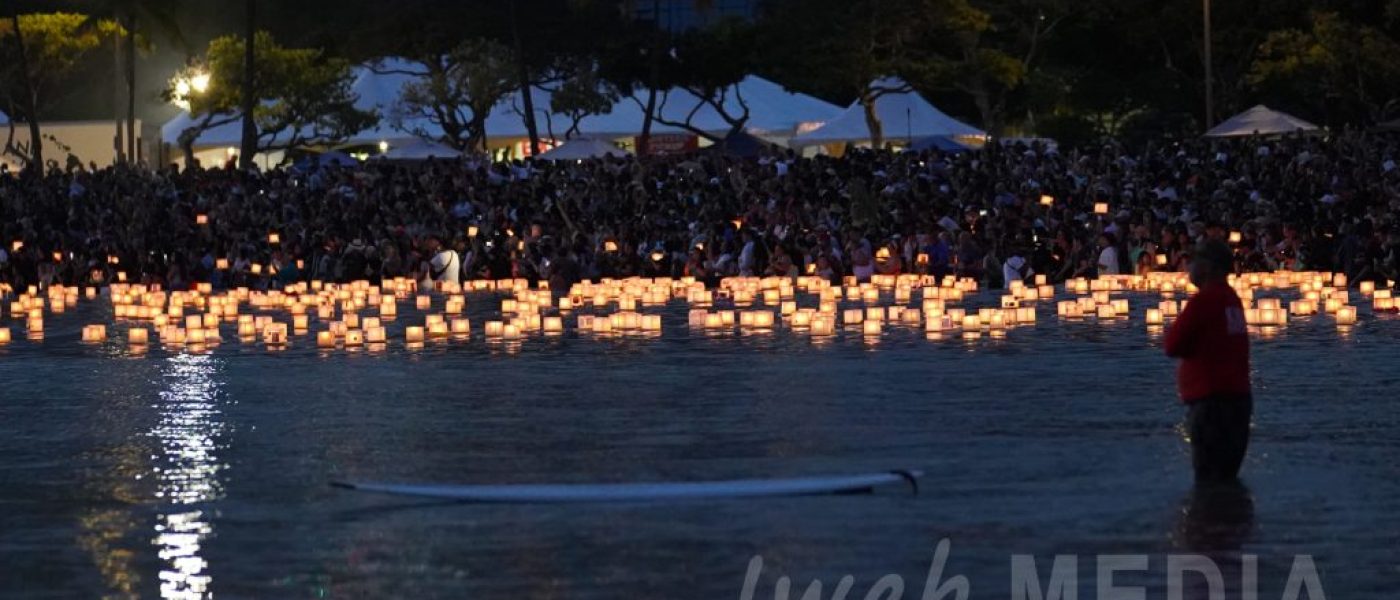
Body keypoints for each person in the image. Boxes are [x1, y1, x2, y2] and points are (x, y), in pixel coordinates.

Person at [1164, 239, 1252, 482]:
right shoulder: (1231, 299)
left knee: (1209, 479)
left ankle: (1209, 520)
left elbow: (1173, 345)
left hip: (1211, 402)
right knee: (1227, 479)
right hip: (1238, 399)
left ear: (1209, 267)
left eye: (1193, 261)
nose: (1188, 266)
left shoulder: (1204, 300)